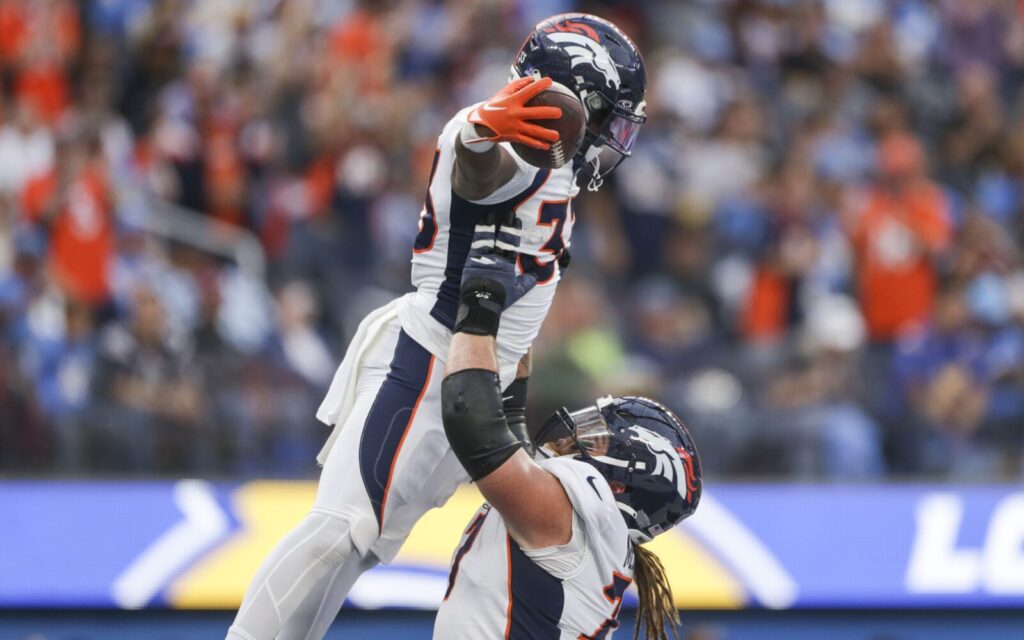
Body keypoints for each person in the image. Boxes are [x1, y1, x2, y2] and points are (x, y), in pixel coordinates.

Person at [226, 13, 648, 640]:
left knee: (358, 546)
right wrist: (477, 135)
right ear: (573, 102)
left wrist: (511, 398)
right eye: (611, 118)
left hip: (467, 376)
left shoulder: (552, 166)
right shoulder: (515, 146)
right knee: (340, 528)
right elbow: (478, 170)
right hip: (430, 362)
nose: (616, 138)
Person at [434, 213, 702, 639]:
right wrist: (527, 317)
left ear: (622, 480)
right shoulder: (594, 537)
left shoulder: (578, 516)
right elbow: (508, 431)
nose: (580, 431)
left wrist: (481, 299)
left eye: (600, 435)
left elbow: (474, 427)